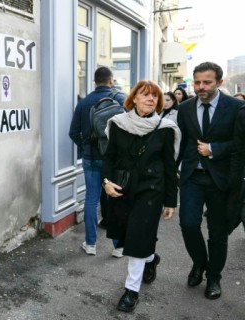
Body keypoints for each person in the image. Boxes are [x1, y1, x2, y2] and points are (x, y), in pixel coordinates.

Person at [102, 80, 181, 312]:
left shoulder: (166, 128)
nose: (150, 99)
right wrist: (106, 182)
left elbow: (169, 167)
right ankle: (151, 258)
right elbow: (109, 158)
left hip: (151, 190)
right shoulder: (118, 124)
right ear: (133, 98)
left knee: (137, 237)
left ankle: (131, 291)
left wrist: (170, 200)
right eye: (145, 95)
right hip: (123, 188)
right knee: (128, 235)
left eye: (154, 97)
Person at [176, 61, 242, 300]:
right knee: (188, 224)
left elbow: (240, 143)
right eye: (197, 82)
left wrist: (215, 149)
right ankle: (200, 264)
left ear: (219, 83)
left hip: (220, 180)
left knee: (218, 233)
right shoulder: (184, 108)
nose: (201, 87)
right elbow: (180, 143)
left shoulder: (236, 108)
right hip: (192, 177)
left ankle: (214, 277)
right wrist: (173, 171)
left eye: (207, 82)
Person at [69, 66, 126, 257]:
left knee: (91, 199)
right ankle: (118, 247)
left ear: (95, 81)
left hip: (91, 158)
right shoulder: (119, 100)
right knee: (115, 199)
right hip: (115, 159)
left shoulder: (84, 103)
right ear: (111, 81)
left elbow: (73, 132)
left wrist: (85, 146)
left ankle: (91, 244)